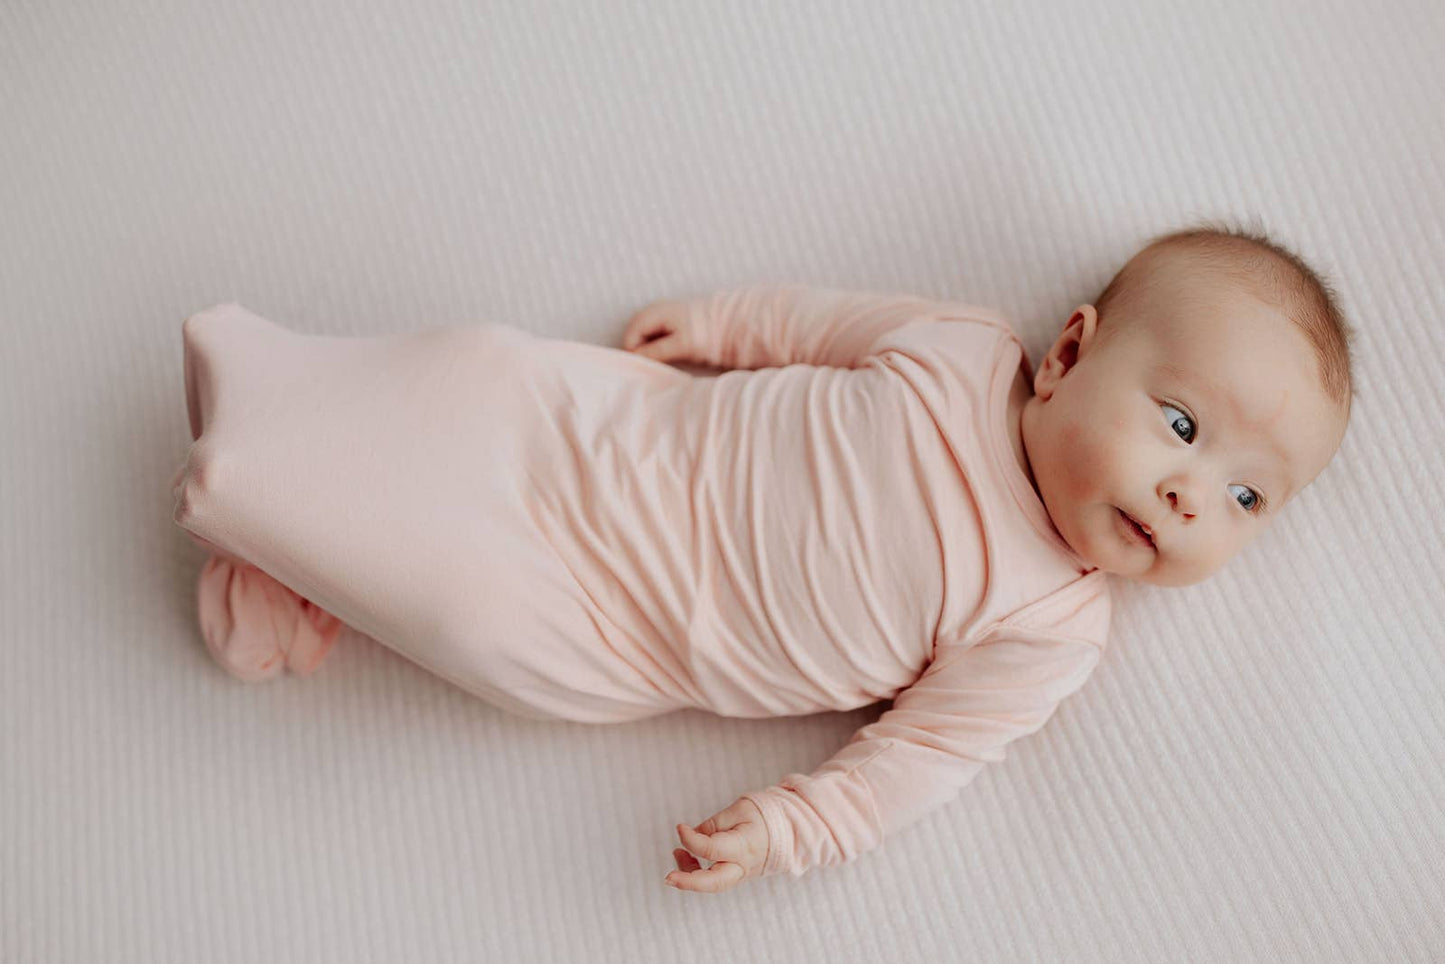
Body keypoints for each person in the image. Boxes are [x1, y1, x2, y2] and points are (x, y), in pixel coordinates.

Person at [169, 220, 1354, 894]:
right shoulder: (962, 353)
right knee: (469, 372)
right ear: (1068, 354)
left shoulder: (1049, 627)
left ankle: (288, 552)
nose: (1189, 496)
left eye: (1247, 496)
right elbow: (824, 322)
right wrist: (726, 322)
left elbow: (917, 760)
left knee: (462, 606)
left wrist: (793, 827)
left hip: (621, 622)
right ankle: (265, 386)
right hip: (624, 435)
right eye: (1182, 428)